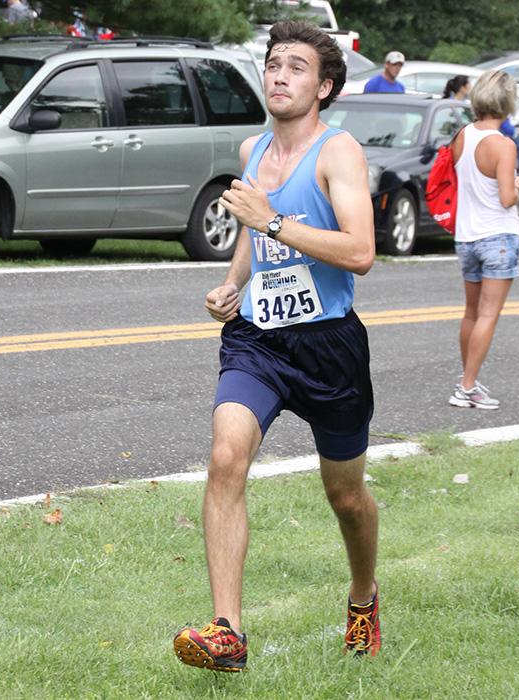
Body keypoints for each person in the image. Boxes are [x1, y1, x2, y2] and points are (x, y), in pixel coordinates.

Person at [172, 20, 378, 672]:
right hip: (258, 339)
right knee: (225, 456)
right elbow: (252, 233)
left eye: (296, 66)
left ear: (324, 85)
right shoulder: (253, 148)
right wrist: (232, 283)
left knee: (346, 498)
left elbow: (361, 252)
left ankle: (364, 595)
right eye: (273, 64)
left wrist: (276, 223)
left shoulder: (337, 153)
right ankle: (227, 631)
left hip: (329, 346)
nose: (280, 75)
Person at [448, 70, 519, 410]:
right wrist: (517, 186)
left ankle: (469, 379)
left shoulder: (463, 137)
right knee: (489, 314)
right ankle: (466, 387)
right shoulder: (504, 145)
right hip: (498, 235)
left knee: (471, 313)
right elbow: (507, 198)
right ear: (507, 103)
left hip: (467, 236)